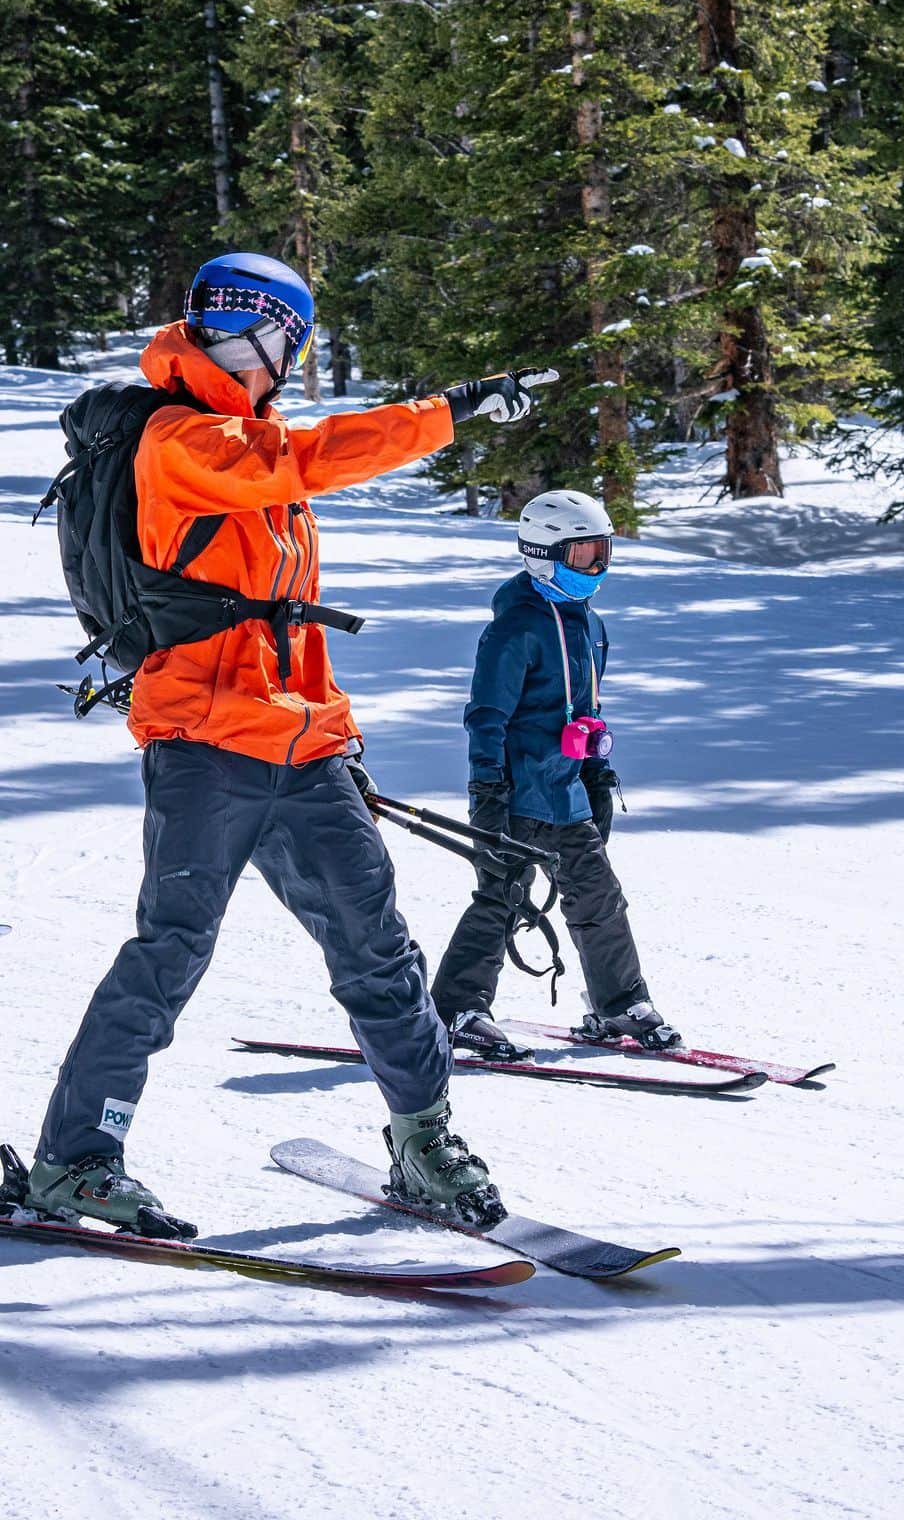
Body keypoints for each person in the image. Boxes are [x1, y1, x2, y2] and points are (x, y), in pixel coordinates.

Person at [29, 251, 540, 1232]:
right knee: (169, 954)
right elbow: (311, 459)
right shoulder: (181, 438)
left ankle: (423, 1140)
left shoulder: (241, 437)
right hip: (206, 747)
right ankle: (75, 1160)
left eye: (260, 316)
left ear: (285, 340)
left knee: (378, 949)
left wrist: (336, 733)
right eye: (220, 308)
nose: (238, 330)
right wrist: (452, 411)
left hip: (302, 748)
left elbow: (280, 620)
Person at [431, 488, 681, 1058]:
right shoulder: (516, 627)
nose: (598, 567)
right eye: (583, 554)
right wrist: (487, 789)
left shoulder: (590, 625)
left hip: (565, 791)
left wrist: (595, 773)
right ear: (543, 553)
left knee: (598, 898)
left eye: (604, 552)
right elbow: (486, 717)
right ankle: (456, 1010)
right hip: (516, 794)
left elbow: (585, 709)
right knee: (501, 898)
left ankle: (618, 1002)